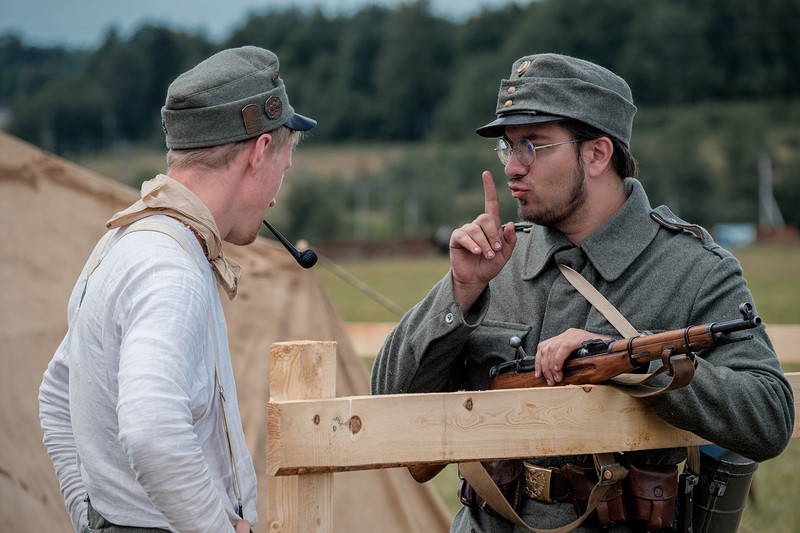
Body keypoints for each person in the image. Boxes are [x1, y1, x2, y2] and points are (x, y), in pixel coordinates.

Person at [371, 53, 794, 532]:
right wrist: (460, 290)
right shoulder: (497, 262)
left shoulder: (694, 269)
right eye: (508, 148)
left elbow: (770, 415)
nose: (513, 167)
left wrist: (633, 360)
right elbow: (388, 399)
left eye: (532, 145)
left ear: (596, 154)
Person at [39, 46, 316, 533]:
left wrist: (88, 516)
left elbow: (56, 393)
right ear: (259, 151)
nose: (277, 191)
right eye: (283, 166)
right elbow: (150, 432)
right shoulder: (169, 267)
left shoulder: (122, 241)